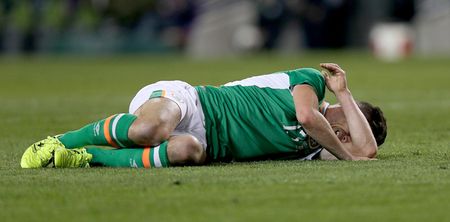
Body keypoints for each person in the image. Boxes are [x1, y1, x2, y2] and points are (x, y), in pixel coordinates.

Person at [20, 63, 387, 169]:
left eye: (350, 135)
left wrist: (353, 150)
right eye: (348, 122)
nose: (345, 137)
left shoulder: (311, 150)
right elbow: (308, 117)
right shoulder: (309, 82)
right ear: (345, 109)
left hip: (204, 143)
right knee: (150, 128)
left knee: (186, 152)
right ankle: (60, 141)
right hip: (191, 100)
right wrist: (343, 91)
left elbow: (367, 152)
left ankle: (86, 157)